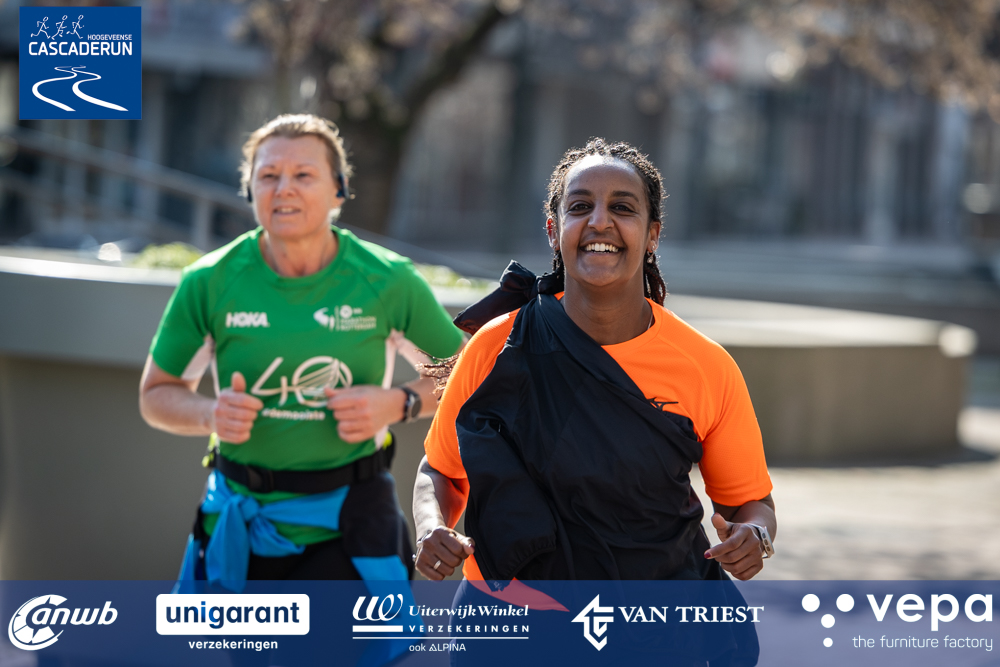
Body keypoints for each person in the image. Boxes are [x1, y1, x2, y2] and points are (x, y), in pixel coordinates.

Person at [413, 138, 775, 585]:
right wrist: (430, 527)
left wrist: (755, 535)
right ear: (553, 229)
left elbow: (749, 504)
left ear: (652, 235)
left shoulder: (706, 364)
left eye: (622, 208)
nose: (600, 222)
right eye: (580, 206)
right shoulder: (496, 346)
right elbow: (440, 470)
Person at [139, 114, 464, 590]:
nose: (283, 188)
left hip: (350, 523)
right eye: (268, 175)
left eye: (303, 175)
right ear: (250, 189)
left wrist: (399, 403)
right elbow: (156, 394)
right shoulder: (208, 281)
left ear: (339, 190)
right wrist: (210, 414)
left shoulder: (389, 280)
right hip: (237, 521)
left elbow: (463, 377)